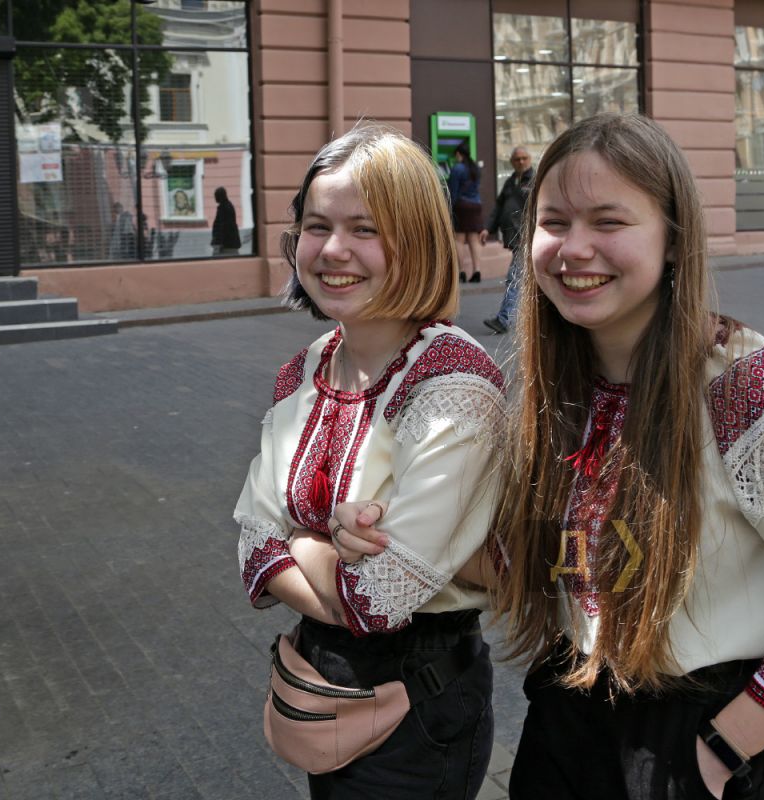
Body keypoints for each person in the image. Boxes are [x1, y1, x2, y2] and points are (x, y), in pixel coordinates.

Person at [490, 113, 764, 799]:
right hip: (567, 717)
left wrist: (721, 747)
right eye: (554, 222)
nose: (574, 248)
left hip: (696, 736)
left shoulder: (740, 383)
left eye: (609, 223)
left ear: (673, 241)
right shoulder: (552, 381)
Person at [232, 124, 505, 800]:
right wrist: (324, 558)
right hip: (324, 688)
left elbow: (377, 600)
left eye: (365, 229)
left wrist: (297, 545)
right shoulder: (304, 369)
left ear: (415, 239)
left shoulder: (453, 384)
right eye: (317, 225)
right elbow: (250, 547)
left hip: (419, 702)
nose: (332, 250)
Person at [481, 146, 534, 334]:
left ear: (529, 159)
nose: (521, 162)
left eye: (524, 158)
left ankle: (504, 320)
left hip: (527, 238)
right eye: (517, 159)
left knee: (515, 278)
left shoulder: (535, 181)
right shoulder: (511, 181)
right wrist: (488, 228)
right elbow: (499, 207)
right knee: (531, 281)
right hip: (516, 237)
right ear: (512, 162)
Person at [448, 140, 483, 283]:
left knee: (459, 239)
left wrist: (450, 206)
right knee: (474, 239)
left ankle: (461, 271)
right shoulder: (475, 168)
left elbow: (453, 191)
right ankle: (477, 271)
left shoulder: (457, 169)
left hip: (462, 206)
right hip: (476, 205)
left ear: (458, 154)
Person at [211, 186, 242, 255]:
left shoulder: (225, 207)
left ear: (220, 196)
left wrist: (219, 241)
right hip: (226, 243)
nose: (215, 198)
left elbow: (224, 227)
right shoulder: (225, 206)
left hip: (227, 245)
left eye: (216, 195)